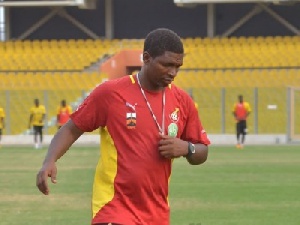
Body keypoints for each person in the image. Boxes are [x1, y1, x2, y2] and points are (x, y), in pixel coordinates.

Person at [36, 28, 210, 225]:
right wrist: (50, 160)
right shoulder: (110, 93)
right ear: (146, 58)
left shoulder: (182, 101)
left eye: (178, 66)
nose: (173, 72)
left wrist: (187, 148)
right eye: (166, 64)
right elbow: (71, 128)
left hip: (157, 213)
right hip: (113, 208)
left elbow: (202, 151)